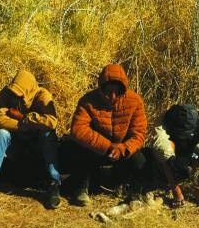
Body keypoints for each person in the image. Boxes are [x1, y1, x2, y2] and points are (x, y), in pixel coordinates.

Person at [63, 64, 147, 205]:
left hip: (121, 150)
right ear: (101, 88)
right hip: (97, 149)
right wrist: (107, 146)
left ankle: (135, 192)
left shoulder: (135, 101)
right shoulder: (88, 101)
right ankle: (81, 189)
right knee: (76, 149)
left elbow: (139, 134)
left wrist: (122, 148)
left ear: (123, 89)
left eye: (117, 92)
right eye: (108, 92)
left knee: (140, 159)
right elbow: (78, 129)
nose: (113, 96)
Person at [0, 70, 62, 209]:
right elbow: (0, 120)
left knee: (47, 134)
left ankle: (54, 182)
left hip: (37, 143)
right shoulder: (5, 94)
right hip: (17, 141)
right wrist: (28, 126)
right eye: (14, 92)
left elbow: (51, 122)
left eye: (19, 94)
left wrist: (23, 118)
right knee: (2, 133)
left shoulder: (42, 96)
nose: (15, 97)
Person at [146, 103, 199, 207]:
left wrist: (197, 155)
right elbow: (159, 140)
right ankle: (176, 191)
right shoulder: (164, 118)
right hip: (174, 153)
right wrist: (171, 159)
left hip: (194, 152)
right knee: (164, 155)